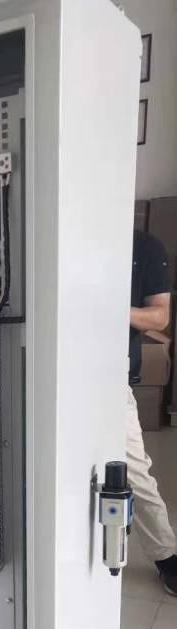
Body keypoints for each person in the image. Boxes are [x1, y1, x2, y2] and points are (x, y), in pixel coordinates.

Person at [127, 229, 176, 595]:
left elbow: (160, 317)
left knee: (134, 471)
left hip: (108, 380)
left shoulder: (144, 247)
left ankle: (166, 556)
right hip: (52, 373)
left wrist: (107, 306)